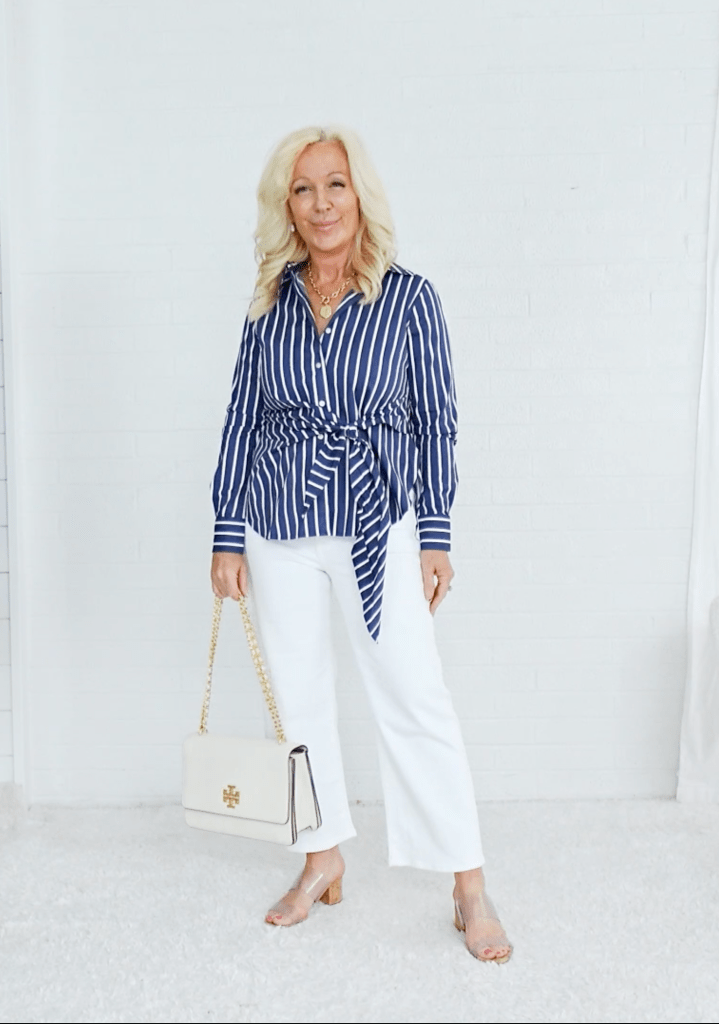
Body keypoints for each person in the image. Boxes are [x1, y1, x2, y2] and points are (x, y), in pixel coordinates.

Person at [210, 125, 512, 963]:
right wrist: (227, 534)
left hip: (379, 523)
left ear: (358, 194)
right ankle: (321, 856)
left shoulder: (409, 298)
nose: (319, 204)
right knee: (299, 704)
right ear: (288, 208)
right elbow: (243, 419)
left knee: (415, 699)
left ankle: (468, 883)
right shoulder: (269, 301)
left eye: (333, 185)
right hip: (279, 525)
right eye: (302, 190)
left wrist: (436, 535)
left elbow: (434, 421)